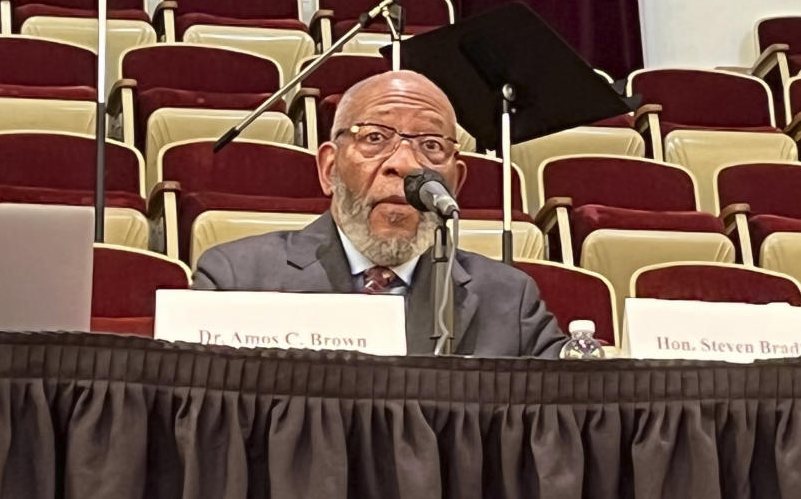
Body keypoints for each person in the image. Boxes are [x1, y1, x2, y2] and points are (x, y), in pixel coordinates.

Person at [193, 70, 566, 357]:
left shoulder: (509, 301)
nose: (403, 164)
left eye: (431, 145)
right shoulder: (237, 278)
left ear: (457, 183)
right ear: (329, 168)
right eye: (374, 138)